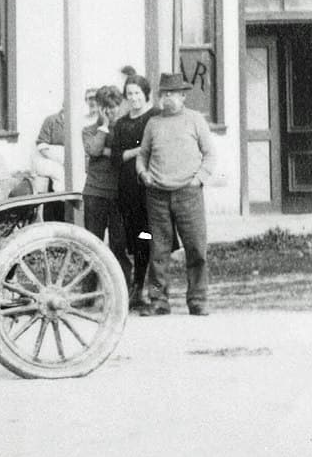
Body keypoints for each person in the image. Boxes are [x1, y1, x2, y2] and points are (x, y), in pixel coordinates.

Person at [137, 72, 219, 316]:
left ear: (183, 96)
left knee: (196, 248)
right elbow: (143, 154)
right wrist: (143, 174)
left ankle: (198, 300)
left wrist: (198, 180)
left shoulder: (195, 120)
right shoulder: (153, 123)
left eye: (172, 94)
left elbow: (210, 154)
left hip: (188, 193)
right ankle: (158, 301)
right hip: (157, 195)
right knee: (158, 251)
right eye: (164, 94)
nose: (167, 98)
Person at [108, 67, 157, 307]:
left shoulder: (155, 117)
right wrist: (140, 150)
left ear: (146, 94)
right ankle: (138, 287)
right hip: (128, 189)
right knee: (136, 237)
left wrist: (139, 153)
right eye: (130, 93)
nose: (134, 98)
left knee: (150, 236)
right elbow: (116, 157)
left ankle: (150, 287)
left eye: (138, 93)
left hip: (150, 186)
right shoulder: (122, 124)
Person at [79, 84, 132, 286]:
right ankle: (89, 292)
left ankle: (124, 291)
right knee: (92, 245)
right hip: (95, 194)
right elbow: (93, 150)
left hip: (119, 196)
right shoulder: (89, 130)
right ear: (99, 108)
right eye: (106, 107)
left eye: (114, 106)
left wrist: (110, 152)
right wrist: (103, 127)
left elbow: (124, 153)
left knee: (120, 246)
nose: (111, 111)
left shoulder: (124, 129)